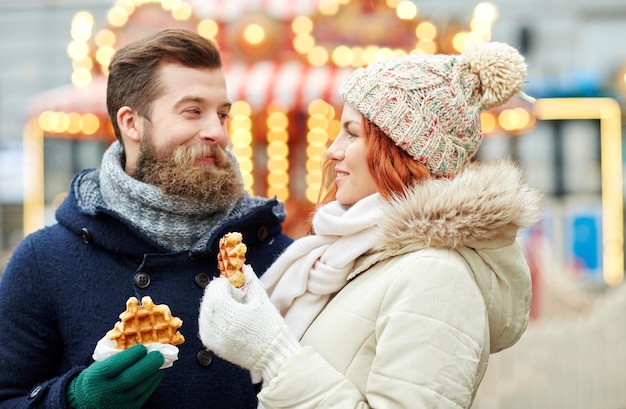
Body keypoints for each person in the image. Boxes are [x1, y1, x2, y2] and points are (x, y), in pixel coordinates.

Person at [198, 42, 544, 408]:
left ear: (399, 150)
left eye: (351, 133)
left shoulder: (438, 277)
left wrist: (274, 355)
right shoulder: (352, 257)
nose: (332, 151)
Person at [0, 28, 292, 409]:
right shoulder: (44, 260)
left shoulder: (278, 256)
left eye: (222, 114)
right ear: (131, 123)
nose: (217, 132)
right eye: (193, 111)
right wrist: (75, 399)